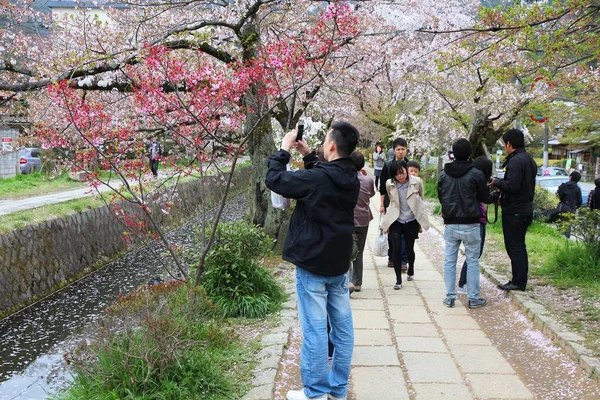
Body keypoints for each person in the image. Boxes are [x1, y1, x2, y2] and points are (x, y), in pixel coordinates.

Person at [266, 121, 360, 400]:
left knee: (315, 329)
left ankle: (316, 393)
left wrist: (283, 150)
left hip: (314, 263)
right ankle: (337, 390)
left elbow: (276, 180)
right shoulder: (351, 176)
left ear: (331, 145)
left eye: (325, 141)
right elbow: (326, 178)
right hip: (339, 261)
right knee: (342, 328)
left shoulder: (318, 179)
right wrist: (308, 155)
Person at [439, 140, 496, 308]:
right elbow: (485, 198)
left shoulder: (443, 173)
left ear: (453, 153)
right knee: (472, 261)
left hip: (450, 222)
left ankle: (450, 297)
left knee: (450, 260)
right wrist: (495, 195)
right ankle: (473, 298)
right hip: (471, 223)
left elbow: (441, 196)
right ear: (470, 153)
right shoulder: (476, 174)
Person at [490, 129, 537, 292]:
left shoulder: (516, 161)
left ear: (509, 144)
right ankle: (519, 279)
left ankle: (518, 281)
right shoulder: (529, 159)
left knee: (514, 246)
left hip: (515, 210)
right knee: (519, 245)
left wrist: (496, 183)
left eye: (505, 144)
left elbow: (513, 185)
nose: (504, 147)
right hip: (525, 208)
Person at [380, 160, 429, 289]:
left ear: (406, 170)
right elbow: (391, 201)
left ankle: (411, 268)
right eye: (397, 174)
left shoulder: (417, 182)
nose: (400, 176)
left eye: (402, 173)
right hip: (396, 219)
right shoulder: (390, 184)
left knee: (409, 248)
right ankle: (398, 280)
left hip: (411, 219)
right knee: (396, 248)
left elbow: (421, 198)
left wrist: (419, 217)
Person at [456, 156, 495, 294]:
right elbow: (488, 199)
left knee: (470, 254)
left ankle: (464, 282)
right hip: (478, 220)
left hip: (464, 220)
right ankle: (464, 283)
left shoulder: (467, 179)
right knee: (474, 254)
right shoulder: (479, 182)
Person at [379, 137, 410, 270]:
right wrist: (381, 204)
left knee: (405, 232)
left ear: (406, 150)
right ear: (393, 150)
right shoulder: (388, 165)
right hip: (391, 203)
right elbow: (382, 186)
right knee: (392, 232)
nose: (401, 152)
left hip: (407, 203)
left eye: (403, 149)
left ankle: (403, 260)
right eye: (398, 149)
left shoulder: (409, 165)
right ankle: (392, 257)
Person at [349, 151, 375, 293]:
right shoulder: (368, 180)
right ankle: (358, 282)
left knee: (346, 250)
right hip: (363, 220)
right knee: (359, 251)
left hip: (348, 220)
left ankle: (347, 281)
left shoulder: (345, 179)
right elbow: (371, 194)